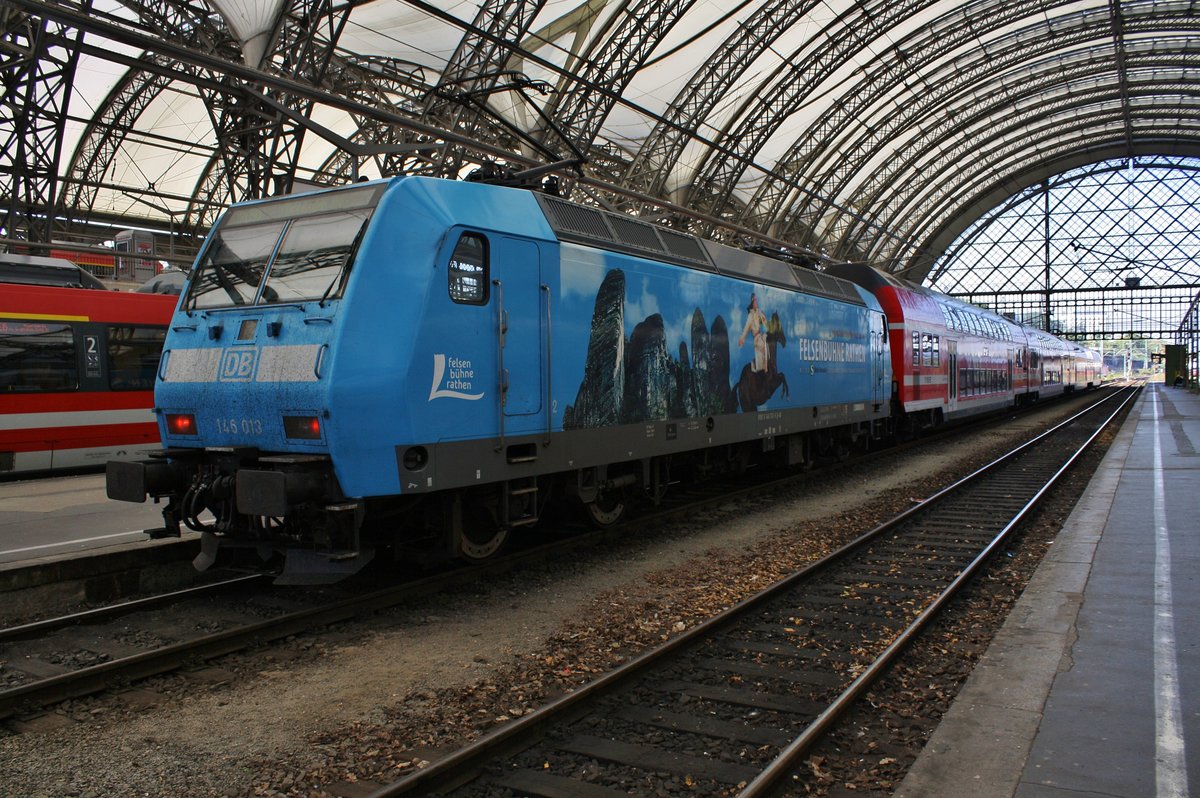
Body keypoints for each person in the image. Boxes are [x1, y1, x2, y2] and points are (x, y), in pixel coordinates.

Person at [738, 292, 768, 372]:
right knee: (761, 361)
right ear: (752, 302)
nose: (756, 302)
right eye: (755, 300)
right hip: (756, 339)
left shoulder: (758, 312)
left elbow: (765, 322)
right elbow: (746, 328)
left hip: (760, 337)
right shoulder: (750, 316)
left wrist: (761, 314)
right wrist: (742, 339)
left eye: (756, 300)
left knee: (767, 344)